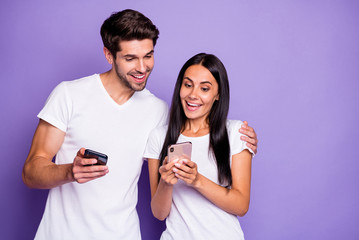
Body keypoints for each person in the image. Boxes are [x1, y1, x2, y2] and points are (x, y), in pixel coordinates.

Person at [22, 9, 258, 240]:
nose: (142, 68)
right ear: (108, 54)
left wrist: (239, 136)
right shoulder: (69, 94)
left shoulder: (158, 111)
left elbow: (197, 132)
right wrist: (69, 171)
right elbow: (31, 172)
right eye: (130, 58)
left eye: (148, 55)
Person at [144, 53, 253, 239]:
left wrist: (197, 181)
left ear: (218, 94)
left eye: (204, 88)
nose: (193, 95)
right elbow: (159, 213)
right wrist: (166, 182)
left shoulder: (236, 132)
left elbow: (241, 205)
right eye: (188, 85)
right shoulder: (159, 137)